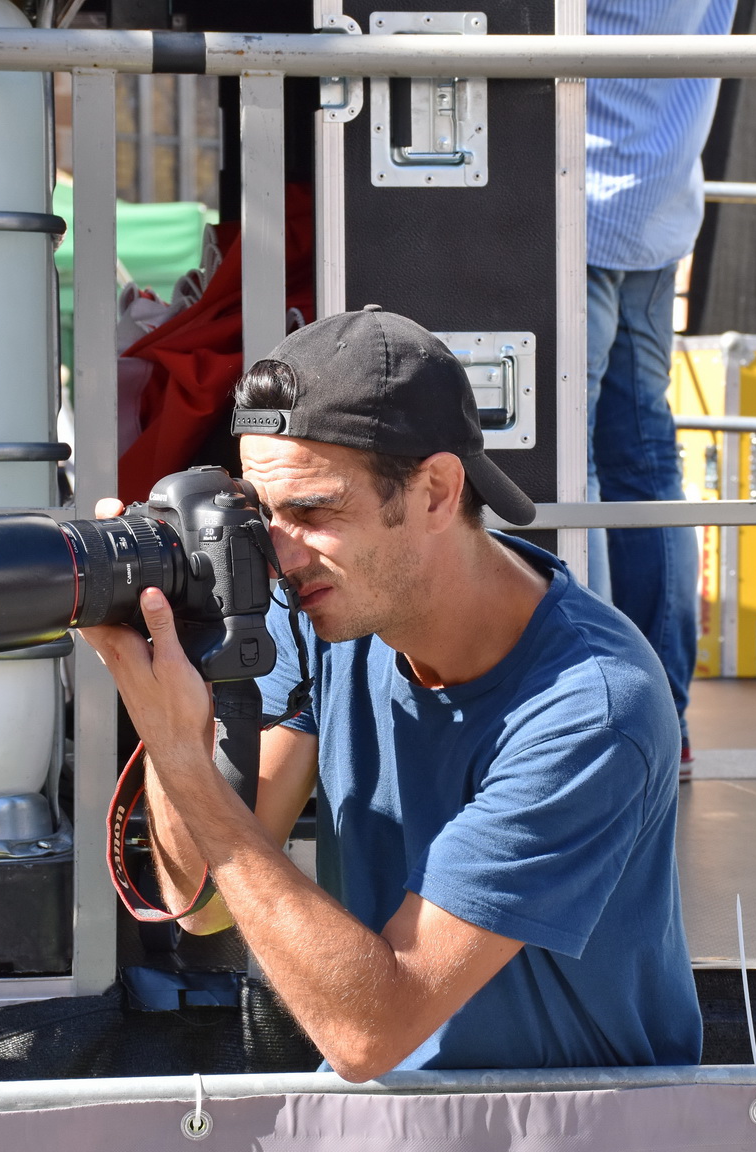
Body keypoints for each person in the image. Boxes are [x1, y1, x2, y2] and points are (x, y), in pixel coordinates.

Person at [79, 307, 699, 1079]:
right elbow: (206, 904)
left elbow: (372, 1032)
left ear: (438, 491)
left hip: (568, 1121)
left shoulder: (590, 707)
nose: (277, 553)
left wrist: (179, 753)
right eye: (261, 514)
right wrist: (177, 680)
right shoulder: (321, 608)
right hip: (392, 1115)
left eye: (311, 511)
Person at [586, 0, 737, 771]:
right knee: (645, 462)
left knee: (563, 463)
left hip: (571, 201)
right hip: (658, 195)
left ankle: (596, 715)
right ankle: (661, 720)